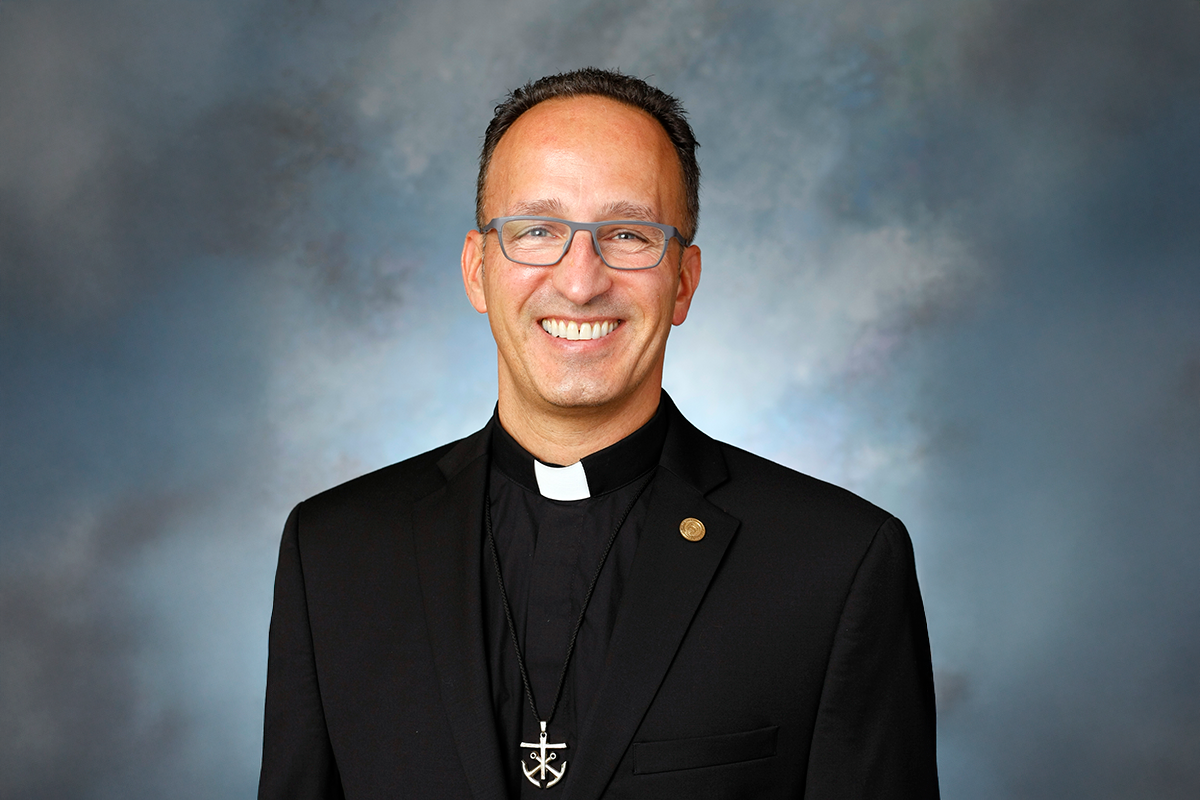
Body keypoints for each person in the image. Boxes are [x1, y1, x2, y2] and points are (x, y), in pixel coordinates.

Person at [258, 67, 939, 800]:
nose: (580, 282)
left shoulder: (836, 565)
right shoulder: (333, 554)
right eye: (537, 230)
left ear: (682, 281)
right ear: (477, 269)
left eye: (628, 234)